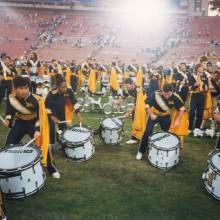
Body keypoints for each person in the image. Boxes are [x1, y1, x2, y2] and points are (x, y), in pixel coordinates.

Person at [1, 76, 60, 179]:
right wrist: (8, 120)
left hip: (34, 123)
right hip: (20, 123)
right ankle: (10, 167)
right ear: (15, 88)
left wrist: (37, 130)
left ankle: (51, 167)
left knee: (43, 145)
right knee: (9, 145)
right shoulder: (11, 97)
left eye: (26, 88)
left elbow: (40, 116)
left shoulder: (36, 99)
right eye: (20, 88)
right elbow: (10, 112)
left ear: (29, 87)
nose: (23, 91)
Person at [137, 84, 185, 160]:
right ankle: (141, 151)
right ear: (162, 91)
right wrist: (151, 114)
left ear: (172, 91)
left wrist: (178, 120)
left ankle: (166, 151)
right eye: (164, 94)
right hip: (154, 114)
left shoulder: (175, 97)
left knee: (168, 133)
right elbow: (147, 106)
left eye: (168, 94)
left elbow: (182, 109)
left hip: (166, 116)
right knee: (147, 132)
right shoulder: (155, 94)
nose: (166, 96)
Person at [45, 75, 82, 147]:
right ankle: (52, 144)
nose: (65, 89)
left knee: (64, 129)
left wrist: (78, 114)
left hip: (61, 110)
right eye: (63, 87)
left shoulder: (69, 90)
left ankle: (61, 139)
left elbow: (74, 102)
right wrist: (52, 117)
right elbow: (46, 108)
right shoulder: (51, 94)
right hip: (51, 112)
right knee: (51, 127)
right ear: (58, 87)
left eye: (66, 86)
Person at [188, 63, 209, 132]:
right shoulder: (192, 76)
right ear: (196, 69)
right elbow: (189, 87)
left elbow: (206, 87)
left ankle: (197, 127)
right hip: (194, 95)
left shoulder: (205, 76)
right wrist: (195, 84)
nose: (201, 69)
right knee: (191, 112)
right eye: (200, 68)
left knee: (200, 113)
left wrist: (203, 85)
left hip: (202, 96)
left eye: (202, 68)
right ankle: (189, 127)